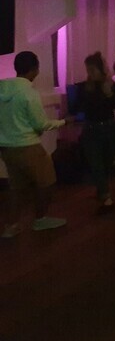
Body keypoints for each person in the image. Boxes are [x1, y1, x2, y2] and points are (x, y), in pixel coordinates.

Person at [0, 51, 68, 237]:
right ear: (34, 69)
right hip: (28, 146)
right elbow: (40, 124)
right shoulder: (29, 93)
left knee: (16, 187)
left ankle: (11, 226)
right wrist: (63, 122)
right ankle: (40, 219)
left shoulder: (2, 88)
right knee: (47, 181)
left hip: (6, 148)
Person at [74, 52, 115, 214]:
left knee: (106, 163)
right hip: (92, 129)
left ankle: (102, 190)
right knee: (96, 163)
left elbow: (114, 105)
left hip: (109, 127)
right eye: (88, 69)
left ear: (101, 69)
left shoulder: (112, 86)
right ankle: (107, 197)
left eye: (92, 69)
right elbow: (78, 107)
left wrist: (109, 93)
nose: (90, 72)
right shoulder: (84, 87)